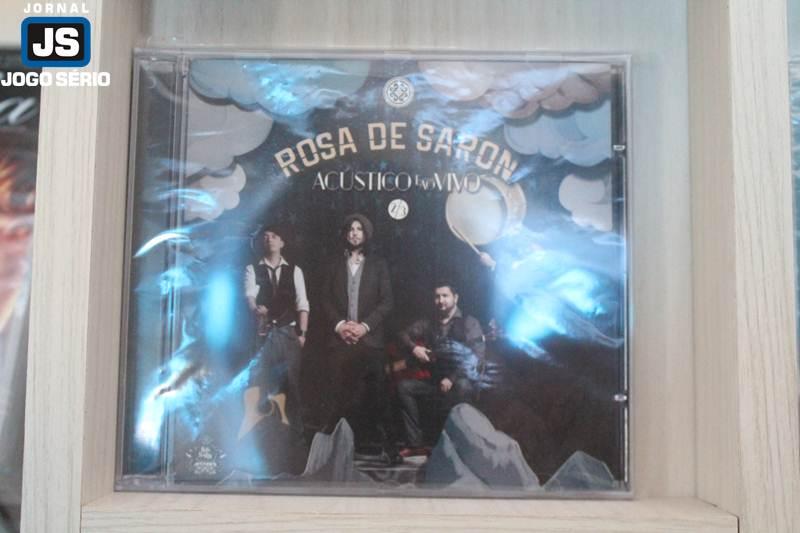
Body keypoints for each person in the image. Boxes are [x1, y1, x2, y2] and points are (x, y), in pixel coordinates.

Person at [320, 213, 399, 463]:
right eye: (351, 229)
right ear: (345, 234)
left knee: (378, 397)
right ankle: (331, 453)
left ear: (366, 234)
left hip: (369, 341)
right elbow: (324, 300)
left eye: (359, 229)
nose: (354, 233)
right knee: (337, 395)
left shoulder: (378, 264)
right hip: (340, 341)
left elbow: (387, 302)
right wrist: (341, 326)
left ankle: (389, 449)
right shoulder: (333, 263)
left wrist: (364, 327)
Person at [396, 282, 485, 457]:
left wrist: (451, 378)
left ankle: (460, 446)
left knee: (463, 386)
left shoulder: (469, 322)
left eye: (445, 296)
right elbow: (402, 335)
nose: (440, 300)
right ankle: (415, 444)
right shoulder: (429, 323)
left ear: (455, 298)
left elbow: (476, 357)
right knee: (404, 387)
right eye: (437, 297)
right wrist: (414, 348)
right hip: (436, 381)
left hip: (461, 381)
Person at [238, 223, 309, 441]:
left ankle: (296, 436)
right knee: (259, 383)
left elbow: (302, 303)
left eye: (274, 236)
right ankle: (259, 437)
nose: (269, 239)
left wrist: (302, 334)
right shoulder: (252, 269)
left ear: (282, 242)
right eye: (266, 236)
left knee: (291, 385)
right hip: (263, 334)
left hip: (288, 334)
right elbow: (250, 296)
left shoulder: (294, 270)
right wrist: (256, 311)